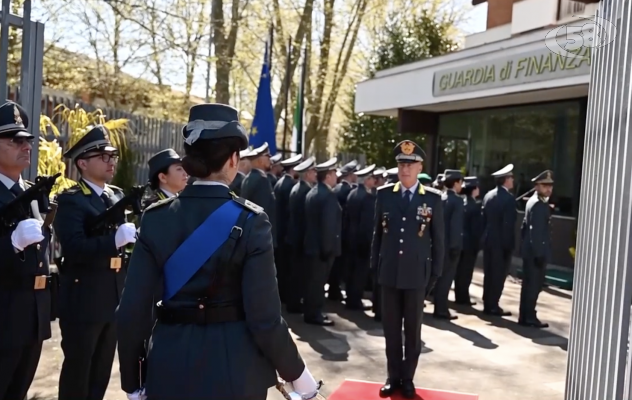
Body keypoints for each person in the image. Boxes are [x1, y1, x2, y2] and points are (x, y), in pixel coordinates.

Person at [116, 103, 321, 400]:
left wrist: (132, 384)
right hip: (234, 371)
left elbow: (132, 312)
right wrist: (298, 375)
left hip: (168, 366)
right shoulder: (252, 220)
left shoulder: (155, 217)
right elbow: (264, 318)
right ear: (233, 159)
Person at [54, 125, 137, 400]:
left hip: (112, 297)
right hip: (83, 299)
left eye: (112, 156)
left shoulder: (114, 195)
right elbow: (75, 247)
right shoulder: (72, 201)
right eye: (104, 156)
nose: (111, 161)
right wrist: (113, 241)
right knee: (79, 372)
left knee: (101, 373)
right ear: (83, 163)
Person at [371, 140, 444, 399]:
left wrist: (434, 275)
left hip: (416, 276)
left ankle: (408, 378)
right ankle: (393, 376)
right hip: (389, 273)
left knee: (412, 331)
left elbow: (439, 241)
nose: (405, 170)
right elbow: (377, 236)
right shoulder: (384, 195)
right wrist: (374, 269)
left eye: (410, 165)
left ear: (420, 167)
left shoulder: (433, 199)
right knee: (391, 330)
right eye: (402, 164)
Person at [0, 101, 52, 400]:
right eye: (14, 140)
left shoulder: (31, 192)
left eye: (27, 140)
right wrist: (10, 244)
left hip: (32, 317)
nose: (25, 145)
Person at [303, 157, 342, 326]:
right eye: (334, 174)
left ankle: (311, 312)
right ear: (328, 176)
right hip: (321, 249)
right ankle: (315, 314)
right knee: (317, 284)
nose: (336, 178)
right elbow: (328, 225)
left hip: (312, 246)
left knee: (313, 283)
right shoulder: (328, 196)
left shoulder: (313, 192)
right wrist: (328, 250)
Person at [519, 170, 553, 328]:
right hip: (535, 253)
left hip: (530, 251)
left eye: (550, 186)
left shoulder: (534, 202)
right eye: (545, 185)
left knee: (529, 285)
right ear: (537, 186)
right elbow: (535, 231)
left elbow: (524, 229)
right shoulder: (538, 205)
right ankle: (529, 317)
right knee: (533, 285)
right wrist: (539, 254)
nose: (549, 189)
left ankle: (525, 316)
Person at [481, 163, 517, 316]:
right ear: (505, 180)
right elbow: (508, 225)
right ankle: (493, 305)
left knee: (489, 273)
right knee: (498, 274)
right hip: (501, 243)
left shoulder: (488, 195)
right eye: (511, 177)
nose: (513, 180)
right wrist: (509, 246)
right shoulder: (508, 199)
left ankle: (488, 302)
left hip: (488, 240)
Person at [286, 157, 317, 313]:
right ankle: (295, 303)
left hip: (293, 236)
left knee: (295, 272)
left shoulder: (296, 188)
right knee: (299, 274)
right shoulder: (305, 191)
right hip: (300, 237)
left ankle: (294, 302)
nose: (315, 175)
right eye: (313, 172)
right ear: (307, 174)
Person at [432, 169, 464, 320]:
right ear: (456, 183)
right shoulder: (457, 201)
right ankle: (441, 309)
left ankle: (438, 306)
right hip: (450, 245)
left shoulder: (440, 198)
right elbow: (455, 227)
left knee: (437, 277)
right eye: (460, 182)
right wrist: (456, 247)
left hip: (437, 243)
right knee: (446, 278)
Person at [345, 164, 377, 311]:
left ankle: (351, 298)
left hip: (350, 238)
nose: (374, 181)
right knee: (359, 273)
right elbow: (367, 224)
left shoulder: (352, 194)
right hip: (362, 241)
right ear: (367, 180)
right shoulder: (368, 198)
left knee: (351, 270)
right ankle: (355, 301)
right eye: (372, 178)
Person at [274, 154, 303, 303]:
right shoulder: (290, 186)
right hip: (287, 231)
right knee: (290, 270)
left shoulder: (280, 183)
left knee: (282, 268)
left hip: (280, 230)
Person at [329, 159, 358, 301]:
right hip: (344, 232)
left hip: (338, 231)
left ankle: (334, 289)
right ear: (350, 175)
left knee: (337, 264)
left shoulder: (338, 188)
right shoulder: (347, 191)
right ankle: (335, 290)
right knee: (340, 265)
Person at [454, 176, 483, 306]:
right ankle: (463, 298)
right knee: (466, 272)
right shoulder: (475, 206)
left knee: (459, 270)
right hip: (470, 243)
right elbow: (476, 228)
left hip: (460, 241)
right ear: (474, 189)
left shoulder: (462, 202)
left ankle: (459, 295)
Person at [241, 142, 277, 247]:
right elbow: (264, 212)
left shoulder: (247, 178)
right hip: (261, 239)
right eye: (267, 157)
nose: (270, 160)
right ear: (260, 161)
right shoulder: (262, 180)